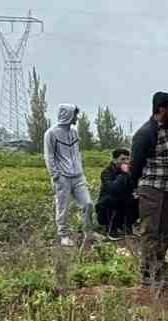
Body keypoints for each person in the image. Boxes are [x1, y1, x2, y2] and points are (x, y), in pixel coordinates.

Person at [129, 91, 168, 288]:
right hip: (151, 190)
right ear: (161, 109)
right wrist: (133, 190)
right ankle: (148, 274)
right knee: (151, 231)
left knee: (165, 232)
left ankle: (159, 270)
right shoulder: (145, 133)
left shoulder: (167, 129)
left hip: (167, 190)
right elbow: (135, 166)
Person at [43, 103, 93, 246]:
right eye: (75, 114)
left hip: (77, 176)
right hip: (62, 177)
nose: (76, 118)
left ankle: (88, 232)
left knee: (87, 203)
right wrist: (55, 175)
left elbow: (77, 154)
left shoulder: (74, 133)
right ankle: (63, 235)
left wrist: (81, 172)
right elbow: (49, 156)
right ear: (67, 115)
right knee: (62, 206)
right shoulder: (51, 134)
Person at [95, 148, 138, 238]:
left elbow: (133, 187)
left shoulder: (128, 172)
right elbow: (113, 189)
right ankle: (111, 229)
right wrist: (123, 175)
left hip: (122, 205)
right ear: (114, 160)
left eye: (127, 159)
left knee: (136, 198)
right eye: (122, 159)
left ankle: (126, 227)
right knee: (112, 199)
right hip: (106, 207)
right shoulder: (106, 172)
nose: (125, 162)